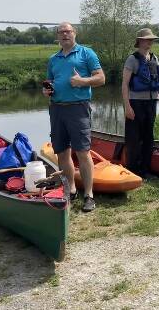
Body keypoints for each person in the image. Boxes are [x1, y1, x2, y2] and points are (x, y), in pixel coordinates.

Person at [43, 22, 105, 213]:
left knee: (83, 152)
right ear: (57, 37)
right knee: (62, 152)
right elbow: (50, 81)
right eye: (61, 32)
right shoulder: (53, 59)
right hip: (57, 109)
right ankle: (71, 189)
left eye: (68, 31)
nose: (64, 34)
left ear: (74, 33)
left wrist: (82, 81)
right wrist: (47, 90)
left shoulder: (87, 53)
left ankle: (89, 195)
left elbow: (101, 78)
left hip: (78, 108)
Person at [122, 28, 159, 179]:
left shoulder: (154, 58)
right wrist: (127, 106)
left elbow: (158, 83)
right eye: (147, 39)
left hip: (151, 103)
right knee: (134, 138)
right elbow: (124, 85)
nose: (150, 42)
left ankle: (145, 170)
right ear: (140, 41)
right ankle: (132, 171)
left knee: (148, 137)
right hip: (135, 103)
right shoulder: (132, 59)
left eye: (151, 40)